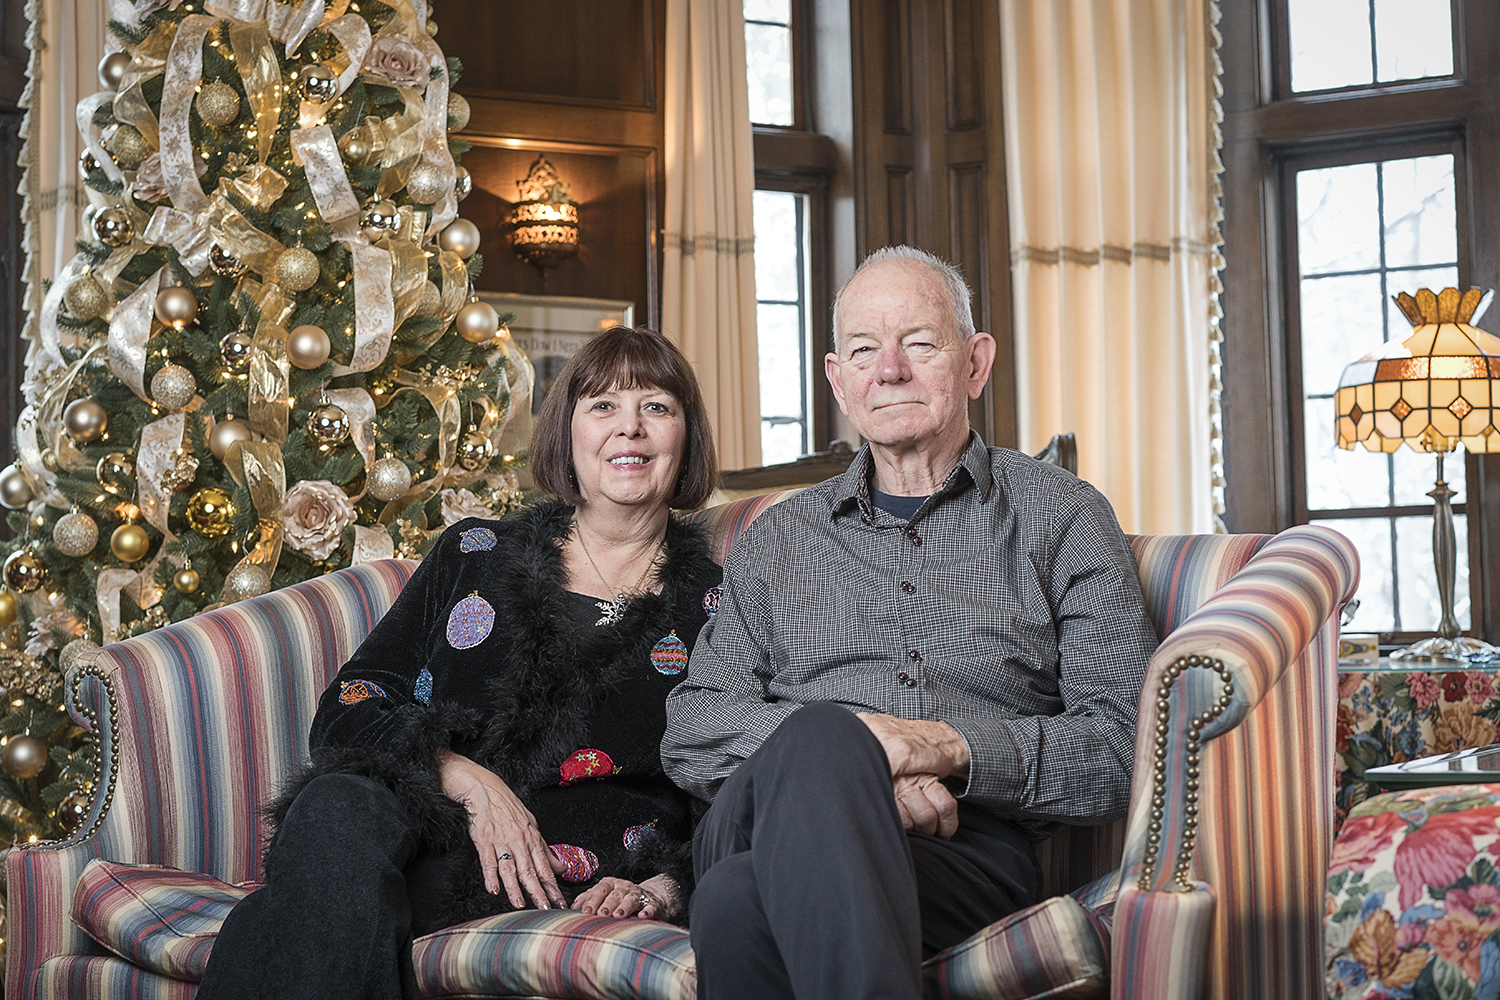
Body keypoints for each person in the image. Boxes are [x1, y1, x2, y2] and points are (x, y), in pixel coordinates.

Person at [661, 246, 1160, 1000]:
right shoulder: (780, 539)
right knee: (825, 736)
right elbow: (694, 725)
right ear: (838, 380)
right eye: (864, 350)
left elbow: (1124, 745)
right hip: (760, 817)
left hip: (965, 850)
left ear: (975, 362)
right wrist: (858, 766)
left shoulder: (1062, 516)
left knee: (733, 901)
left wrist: (946, 746)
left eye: (919, 343)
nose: (889, 369)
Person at [197, 327, 722, 1000]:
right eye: (602, 407)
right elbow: (352, 704)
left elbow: (728, 779)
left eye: (656, 407)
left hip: (569, 865)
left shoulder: (716, 604)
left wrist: (667, 882)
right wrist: (468, 779)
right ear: (568, 434)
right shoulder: (474, 552)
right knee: (334, 805)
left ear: (686, 439)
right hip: (416, 828)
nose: (630, 429)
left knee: (268, 923)